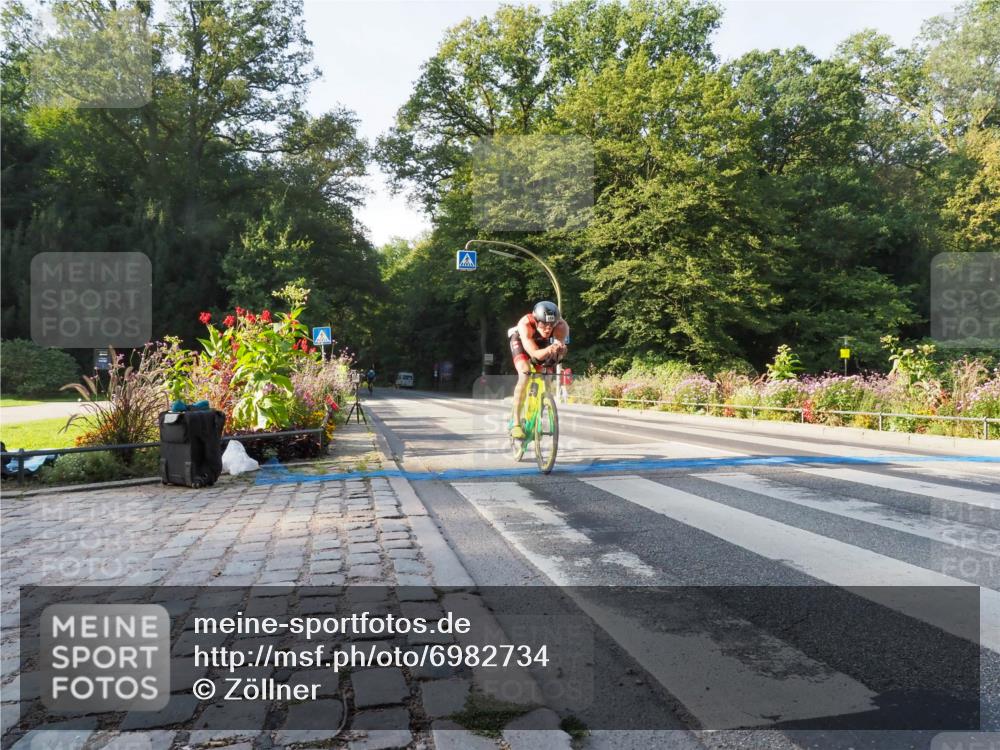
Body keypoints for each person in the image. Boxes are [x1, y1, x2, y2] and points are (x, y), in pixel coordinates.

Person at [508, 301, 569, 439]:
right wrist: (549, 349)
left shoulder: (561, 326)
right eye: (543, 324)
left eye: (551, 325)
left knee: (546, 378)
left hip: (544, 345)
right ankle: (516, 424)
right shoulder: (525, 324)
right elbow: (534, 354)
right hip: (523, 341)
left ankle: (537, 421)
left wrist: (561, 351)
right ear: (536, 321)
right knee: (524, 372)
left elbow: (557, 358)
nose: (547, 329)